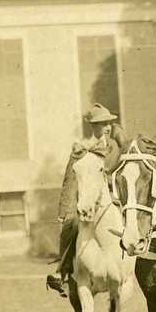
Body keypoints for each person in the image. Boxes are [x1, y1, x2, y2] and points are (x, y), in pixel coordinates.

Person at [46, 103, 127, 298]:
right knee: (70, 226)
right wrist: (65, 210)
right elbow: (70, 180)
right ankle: (63, 271)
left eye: (109, 123)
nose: (107, 127)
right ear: (92, 126)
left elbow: (124, 173)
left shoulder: (116, 147)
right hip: (86, 201)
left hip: (114, 198)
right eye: (101, 124)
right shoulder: (81, 150)